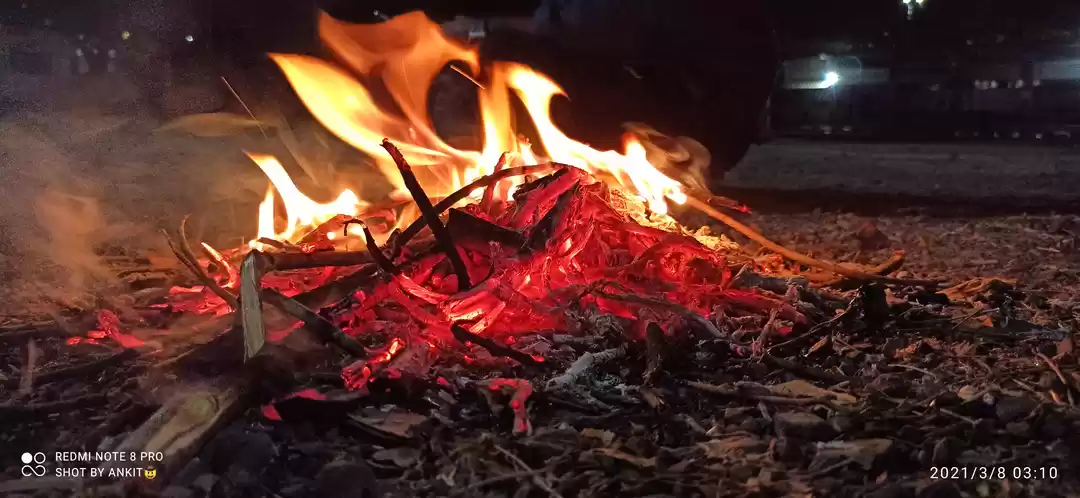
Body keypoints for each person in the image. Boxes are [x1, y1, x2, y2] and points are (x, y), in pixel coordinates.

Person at [439, 0, 779, 188]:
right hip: (713, 115)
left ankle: (570, 170)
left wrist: (479, 31)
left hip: (699, 117)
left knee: (507, 52)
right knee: (511, 50)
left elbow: (583, 29)